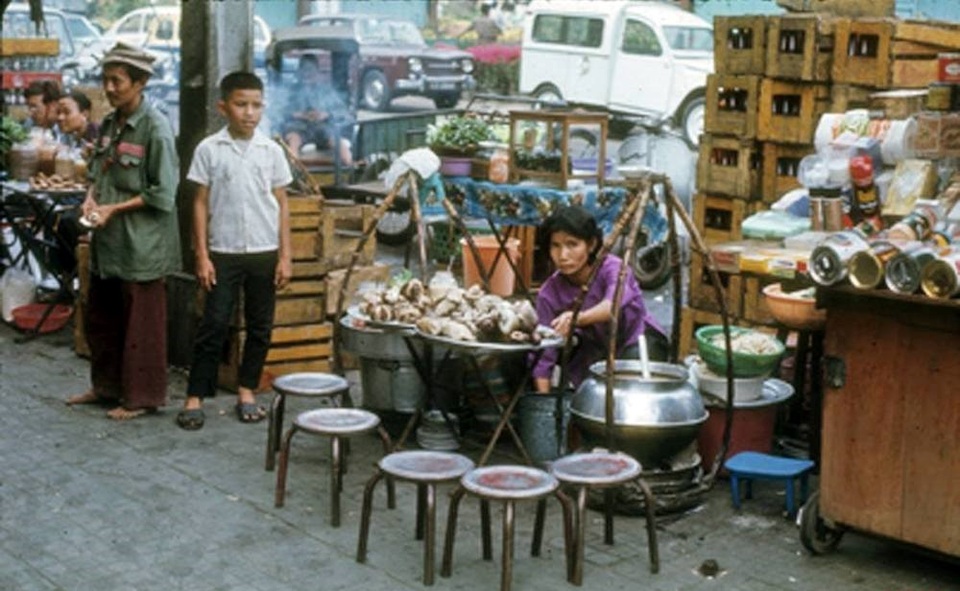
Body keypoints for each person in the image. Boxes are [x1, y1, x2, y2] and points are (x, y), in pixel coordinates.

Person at [65, 42, 181, 420]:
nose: (109, 88)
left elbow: (163, 193)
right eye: (106, 79)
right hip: (109, 243)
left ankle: (140, 398)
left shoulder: (156, 129)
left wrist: (114, 208)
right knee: (103, 317)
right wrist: (90, 197)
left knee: (141, 326)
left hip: (142, 246)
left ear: (141, 82)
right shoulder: (112, 123)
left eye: (117, 81)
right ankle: (106, 388)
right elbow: (100, 172)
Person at [176, 71, 293, 430]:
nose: (249, 113)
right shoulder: (210, 149)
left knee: (260, 326)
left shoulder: (271, 151)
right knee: (213, 324)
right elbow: (199, 203)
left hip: (264, 250)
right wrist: (202, 254)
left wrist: (285, 256)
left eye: (256, 105)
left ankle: (247, 390)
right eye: (241, 105)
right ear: (223, 107)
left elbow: (282, 203)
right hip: (223, 251)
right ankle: (195, 397)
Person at [533, 205, 668, 393]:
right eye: (555, 246)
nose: (563, 255)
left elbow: (611, 307)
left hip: (637, 340)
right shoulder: (549, 293)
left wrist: (576, 318)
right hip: (594, 352)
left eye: (572, 244)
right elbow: (545, 355)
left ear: (591, 245)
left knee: (630, 392)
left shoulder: (613, 269)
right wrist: (542, 403)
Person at [281, 54, 353, 166]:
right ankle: (293, 173)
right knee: (293, 140)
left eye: (310, 70)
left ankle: (350, 169)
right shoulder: (291, 91)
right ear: (299, 72)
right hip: (298, 128)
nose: (307, 74)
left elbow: (344, 114)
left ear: (317, 72)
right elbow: (279, 112)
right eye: (304, 70)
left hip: (323, 128)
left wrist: (326, 114)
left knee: (338, 142)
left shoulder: (326, 91)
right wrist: (298, 115)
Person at [57, 90, 100, 154]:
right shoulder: (68, 135)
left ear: (85, 114)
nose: (60, 117)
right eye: (58, 112)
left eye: (67, 112)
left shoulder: (98, 135)